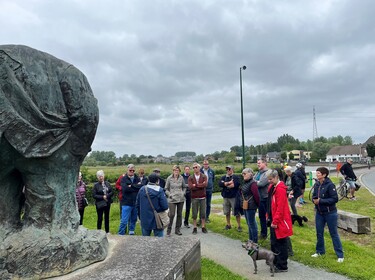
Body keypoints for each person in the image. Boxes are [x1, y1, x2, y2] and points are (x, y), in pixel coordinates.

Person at [311, 167, 344, 263]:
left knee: (333, 233)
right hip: (319, 213)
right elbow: (314, 195)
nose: (317, 175)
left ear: (324, 175)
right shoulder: (317, 184)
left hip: (330, 213)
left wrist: (321, 201)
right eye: (316, 173)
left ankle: (340, 255)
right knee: (319, 232)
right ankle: (320, 251)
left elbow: (334, 199)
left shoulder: (330, 185)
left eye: (318, 173)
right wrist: (314, 200)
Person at [267, 169, 293, 273]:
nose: (269, 181)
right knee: (274, 242)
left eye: (271, 179)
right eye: (268, 179)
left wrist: (275, 221)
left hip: (280, 221)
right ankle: (275, 261)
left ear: (276, 177)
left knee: (281, 243)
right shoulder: (273, 187)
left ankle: (282, 265)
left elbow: (280, 207)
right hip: (274, 218)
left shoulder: (280, 189)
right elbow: (271, 204)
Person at [135, 173, 168, 237]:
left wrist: (140, 216)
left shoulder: (142, 189)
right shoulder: (160, 190)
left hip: (144, 218)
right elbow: (165, 206)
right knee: (159, 241)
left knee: (145, 240)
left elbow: (137, 204)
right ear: (157, 180)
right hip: (157, 218)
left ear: (148, 180)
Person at [118, 164, 142, 235]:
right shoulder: (123, 178)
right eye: (130, 170)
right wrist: (135, 187)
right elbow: (125, 189)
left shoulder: (137, 178)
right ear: (127, 170)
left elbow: (140, 187)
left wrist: (131, 186)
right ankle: (121, 233)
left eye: (133, 170)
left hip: (135, 202)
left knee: (133, 219)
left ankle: (131, 231)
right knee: (124, 220)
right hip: (126, 202)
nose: (132, 171)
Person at [165, 165, 187, 236]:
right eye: (175, 170)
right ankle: (169, 230)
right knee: (172, 214)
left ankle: (177, 230)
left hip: (180, 199)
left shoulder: (181, 178)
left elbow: (184, 187)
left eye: (177, 170)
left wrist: (183, 193)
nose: (176, 172)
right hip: (172, 199)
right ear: (173, 171)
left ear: (179, 171)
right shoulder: (169, 178)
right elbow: (166, 189)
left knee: (179, 214)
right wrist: (169, 195)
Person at [219, 165, 242, 232]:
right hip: (225, 197)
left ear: (232, 169)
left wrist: (225, 184)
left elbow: (235, 185)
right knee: (226, 212)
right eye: (227, 169)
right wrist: (228, 183)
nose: (228, 170)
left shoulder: (236, 177)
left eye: (229, 169)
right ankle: (228, 224)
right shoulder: (223, 177)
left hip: (234, 197)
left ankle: (239, 226)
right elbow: (220, 183)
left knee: (236, 212)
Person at [240, 168, 260, 243]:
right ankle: (250, 240)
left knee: (252, 224)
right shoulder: (245, 182)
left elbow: (256, 196)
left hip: (251, 206)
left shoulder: (253, 183)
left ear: (250, 174)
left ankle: (254, 242)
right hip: (246, 205)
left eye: (245, 173)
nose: (243, 175)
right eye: (242, 174)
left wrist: (257, 205)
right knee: (249, 224)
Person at [188, 163, 208, 234]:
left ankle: (203, 227)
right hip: (194, 197)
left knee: (203, 213)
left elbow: (205, 184)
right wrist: (200, 185)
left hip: (202, 197)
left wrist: (195, 185)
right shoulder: (190, 177)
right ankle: (195, 227)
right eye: (193, 167)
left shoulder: (204, 176)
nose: (194, 168)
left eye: (196, 167)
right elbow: (190, 187)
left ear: (199, 168)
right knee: (194, 213)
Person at [254, 158, 269, 238]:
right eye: (257, 163)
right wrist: (257, 182)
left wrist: (256, 182)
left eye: (259, 163)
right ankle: (263, 233)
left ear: (264, 163)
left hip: (266, 197)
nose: (258, 164)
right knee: (261, 216)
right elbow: (253, 182)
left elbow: (262, 184)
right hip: (259, 198)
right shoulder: (258, 173)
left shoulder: (267, 173)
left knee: (269, 216)